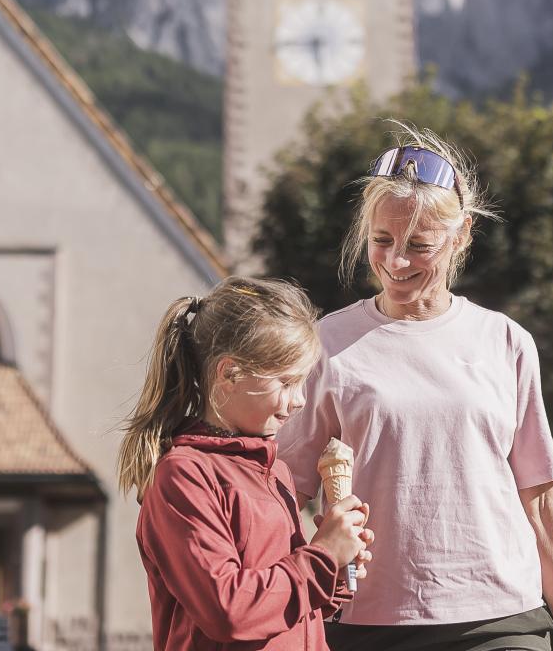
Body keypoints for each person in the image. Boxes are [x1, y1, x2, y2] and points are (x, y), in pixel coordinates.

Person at [278, 127, 553, 651]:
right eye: (382, 241)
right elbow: (285, 492)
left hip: (503, 618)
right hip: (366, 622)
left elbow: (541, 502)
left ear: (462, 235)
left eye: (419, 246)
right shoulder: (325, 345)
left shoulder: (506, 342)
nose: (396, 262)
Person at [120, 275, 376, 651]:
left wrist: (335, 570)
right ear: (230, 373)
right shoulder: (183, 476)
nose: (301, 399)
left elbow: (280, 607)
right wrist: (322, 556)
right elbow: (229, 611)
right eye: (287, 382)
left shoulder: (276, 470)